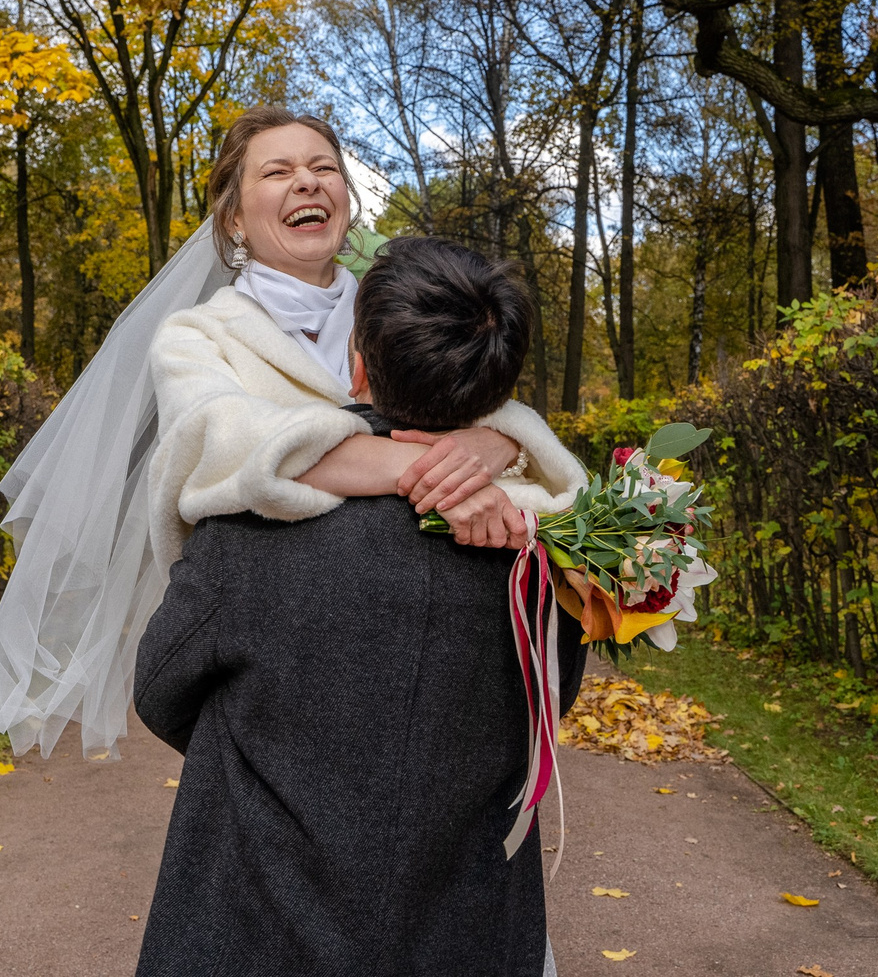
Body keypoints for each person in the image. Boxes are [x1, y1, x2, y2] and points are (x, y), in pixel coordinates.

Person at [0, 106, 582, 763]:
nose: (307, 180)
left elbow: (485, 392)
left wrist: (500, 443)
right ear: (233, 220)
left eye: (324, 167)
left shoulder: (407, 300)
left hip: (430, 640)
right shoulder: (197, 336)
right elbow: (217, 440)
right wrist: (444, 471)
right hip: (287, 636)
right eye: (277, 171)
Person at [132, 236, 586, 977]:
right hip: (468, 927)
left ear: (357, 364)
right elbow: (546, 703)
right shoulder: (547, 551)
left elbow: (159, 692)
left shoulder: (249, 531)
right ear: (500, 387)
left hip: (256, 923)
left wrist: (284, 759)